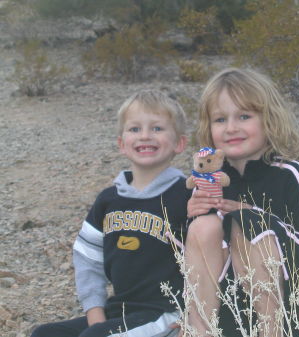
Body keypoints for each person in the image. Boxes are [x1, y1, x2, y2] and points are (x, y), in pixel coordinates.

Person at [184, 68, 299, 337]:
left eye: (244, 116)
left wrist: (259, 218)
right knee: (202, 228)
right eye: (220, 119)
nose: (231, 128)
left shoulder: (291, 175)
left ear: (269, 119)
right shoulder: (212, 181)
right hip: (233, 313)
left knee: (248, 224)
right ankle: (199, 331)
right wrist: (192, 217)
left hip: (293, 310)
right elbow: (193, 262)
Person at [31, 90, 190, 337]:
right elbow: (88, 260)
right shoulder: (108, 200)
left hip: (168, 314)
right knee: (46, 334)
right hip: (121, 311)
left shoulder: (187, 196)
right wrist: (95, 315)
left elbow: (211, 261)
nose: (145, 135)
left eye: (157, 128)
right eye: (135, 129)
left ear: (180, 143)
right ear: (121, 143)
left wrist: (195, 316)